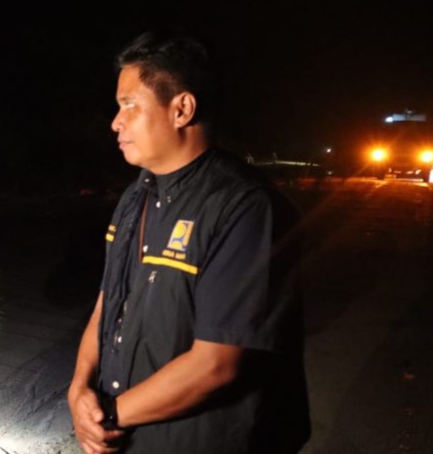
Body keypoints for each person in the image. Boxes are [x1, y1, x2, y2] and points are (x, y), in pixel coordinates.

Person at [67, 32, 310, 453]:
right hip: (127, 437)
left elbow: (215, 364)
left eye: (129, 105)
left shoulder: (244, 207)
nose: (116, 122)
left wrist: (108, 415)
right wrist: (79, 390)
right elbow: (108, 304)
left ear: (181, 109)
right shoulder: (136, 197)